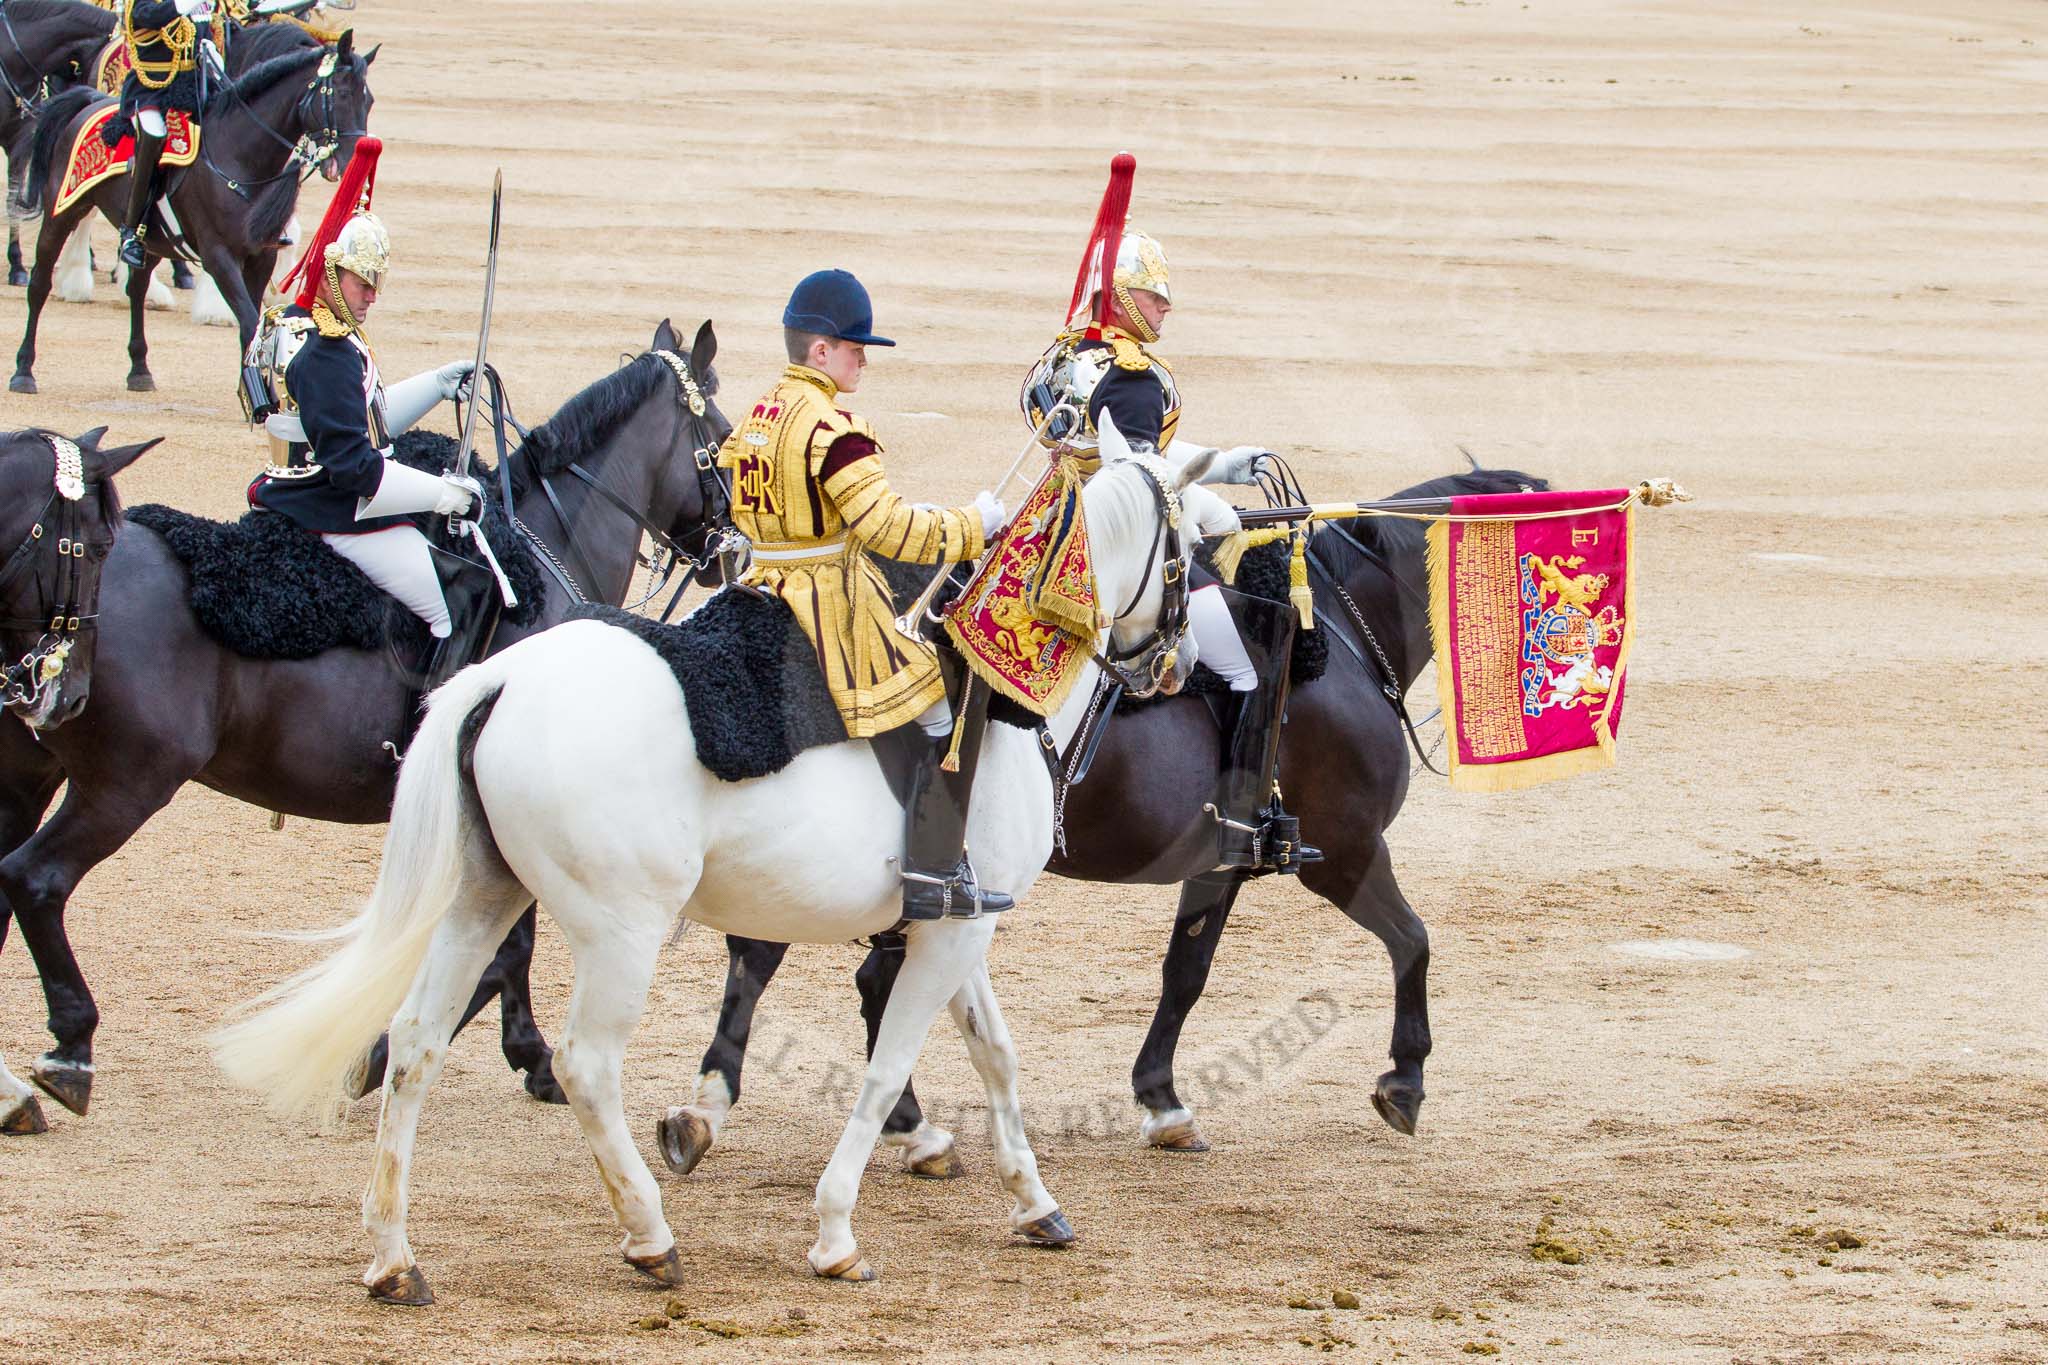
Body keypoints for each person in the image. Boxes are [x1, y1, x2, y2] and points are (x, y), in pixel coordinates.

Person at [1021, 157, 1320, 874]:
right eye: (1155, 298)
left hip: (1052, 524)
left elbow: (1111, 451)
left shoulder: (1071, 355)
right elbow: (1147, 473)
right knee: (1253, 658)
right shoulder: (1131, 375)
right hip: (1122, 541)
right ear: (1123, 297)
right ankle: (1248, 818)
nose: (1164, 310)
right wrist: (1220, 493)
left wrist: (1217, 467)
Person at [718, 269, 1011, 920]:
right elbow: (887, 528)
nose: (864, 362)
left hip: (758, 585)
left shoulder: (758, 416)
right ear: (820, 350)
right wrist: (974, 525)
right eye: (856, 349)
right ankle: (932, 870)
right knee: (930, 705)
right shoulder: (834, 428)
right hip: (827, 603)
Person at [243, 137, 478, 673]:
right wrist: (447, 496)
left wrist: (436, 385)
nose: (372, 294)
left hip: (318, 491)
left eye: (376, 283)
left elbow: (366, 419)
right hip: (330, 507)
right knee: (447, 613)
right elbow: (355, 465)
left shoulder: (337, 340)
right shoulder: (328, 355)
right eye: (361, 282)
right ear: (332, 275)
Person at [112, 0, 214, 268]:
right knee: (155, 134)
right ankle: (131, 230)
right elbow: (148, 16)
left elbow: (206, 30)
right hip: (150, 90)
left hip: (192, 88)